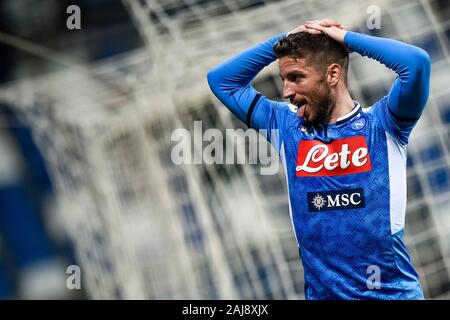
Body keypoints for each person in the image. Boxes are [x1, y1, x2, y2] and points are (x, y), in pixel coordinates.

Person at [207, 19, 431, 299]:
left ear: (333, 75)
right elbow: (221, 81)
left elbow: (417, 63)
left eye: (296, 77)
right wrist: (287, 37)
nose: (287, 92)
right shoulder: (285, 127)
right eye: (283, 79)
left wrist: (346, 38)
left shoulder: (385, 124)